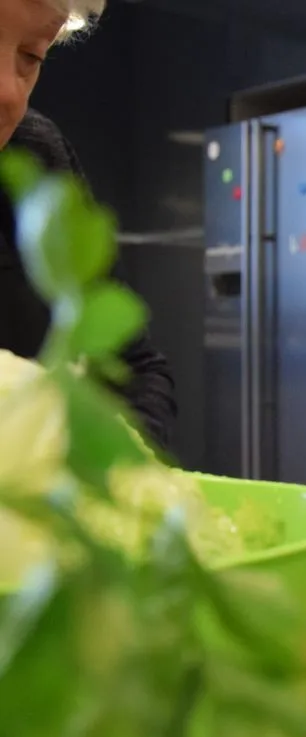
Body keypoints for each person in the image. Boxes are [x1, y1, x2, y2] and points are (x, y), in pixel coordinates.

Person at [0, 0, 176, 448]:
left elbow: (135, 371)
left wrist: (124, 473)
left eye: (31, 56)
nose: (10, 94)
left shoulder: (38, 157)